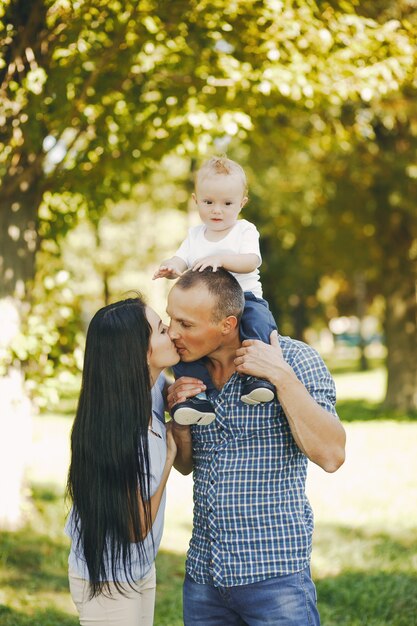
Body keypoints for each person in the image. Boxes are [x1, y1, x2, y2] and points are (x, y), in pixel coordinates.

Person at [166, 268, 346, 626]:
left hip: (275, 578)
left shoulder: (296, 360)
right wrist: (179, 422)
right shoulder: (186, 370)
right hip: (204, 577)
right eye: (171, 319)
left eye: (186, 324)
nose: (173, 333)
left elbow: (331, 454)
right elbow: (187, 466)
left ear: (227, 324)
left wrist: (279, 375)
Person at [65, 296, 179, 626]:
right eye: (160, 329)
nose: (170, 331)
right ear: (137, 353)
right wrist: (169, 458)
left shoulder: (151, 390)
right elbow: (135, 527)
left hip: (139, 567)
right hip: (108, 581)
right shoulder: (119, 430)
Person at [153, 155, 277, 426]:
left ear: (241, 203)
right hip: (206, 309)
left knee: (258, 326)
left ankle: (257, 377)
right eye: (209, 202)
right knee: (183, 346)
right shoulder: (195, 235)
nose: (217, 210)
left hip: (245, 298)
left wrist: (221, 258)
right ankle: (197, 396)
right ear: (196, 200)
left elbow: (251, 261)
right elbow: (181, 258)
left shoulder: (244, 230)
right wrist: (171, 267)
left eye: (227, 203)